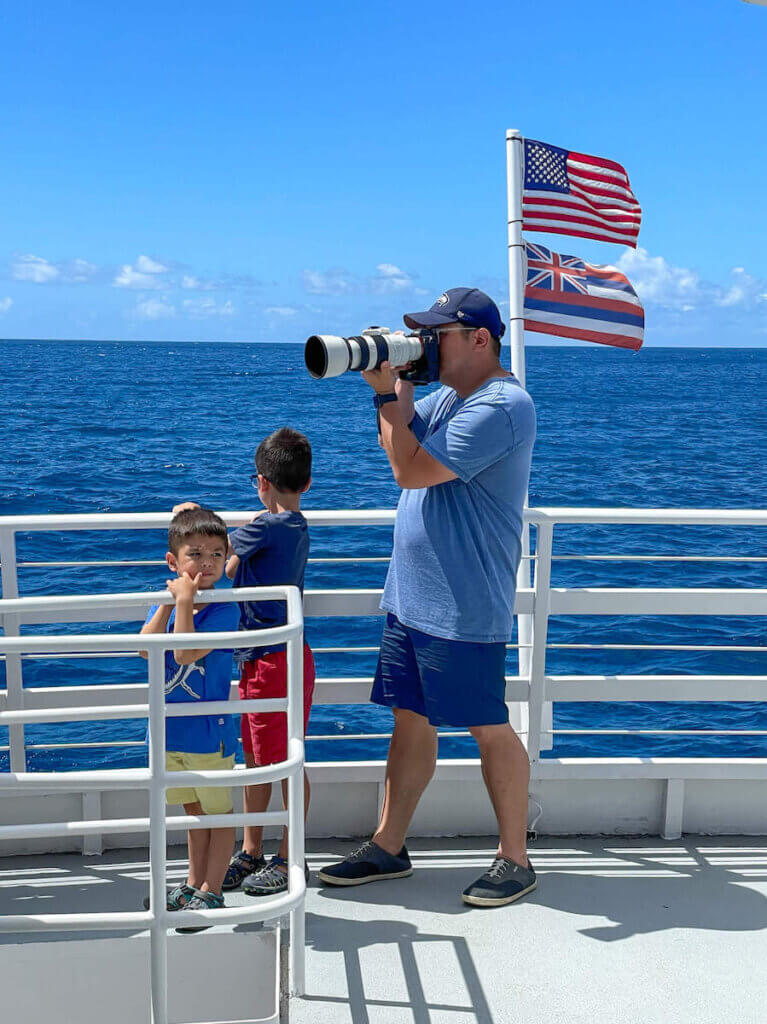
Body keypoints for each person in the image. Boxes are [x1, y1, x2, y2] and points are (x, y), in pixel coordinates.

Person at [318, 287, 537, 907]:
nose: (428, 344)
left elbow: (411, 471)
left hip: (462, 602)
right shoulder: (449, 399)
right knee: (409, 719)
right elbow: (398, 447)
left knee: (488, 724)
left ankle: (514, 859)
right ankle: (389, 845)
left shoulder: (502, 406)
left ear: (479, 339)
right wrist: (391, 394)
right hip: (412, 597)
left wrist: (391, 394)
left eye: (438, 334)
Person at [221, 427, 315, 897]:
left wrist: (188, 517)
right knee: (265, 757)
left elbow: (222, 563)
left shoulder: (264, 526)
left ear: (260, 481)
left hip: (270, 661)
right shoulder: (296, 525)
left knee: (277, 759)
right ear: (306, 483)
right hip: (282, 657)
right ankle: (255, 850)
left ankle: (287, 856)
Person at [139, 507, 239, 930]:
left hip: (208, 735)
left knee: (218, 816)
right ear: (173, 562)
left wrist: (185, 603)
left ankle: (213, 891)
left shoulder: (225, 605)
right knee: (194, 812)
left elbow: (183, 653)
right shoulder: (171, 601)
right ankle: (194, 881)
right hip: (172, 733)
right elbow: (146, 648)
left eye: (217, 554)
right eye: (195, 554)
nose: (208, 563)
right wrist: (169, 602)